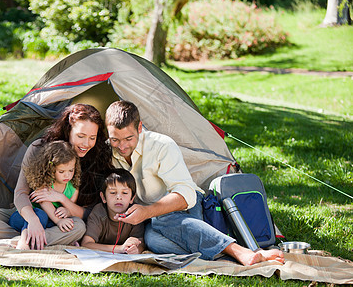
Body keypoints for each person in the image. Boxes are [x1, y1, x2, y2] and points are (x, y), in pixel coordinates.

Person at [104, 100, 284, 266]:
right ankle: (220, 249)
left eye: (128, 139)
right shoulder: (108, 154)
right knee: (152, 241)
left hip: (185, 207)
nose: (122, 146)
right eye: (115, 140)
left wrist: (147, 211)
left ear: (140, 128)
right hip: (152, 219)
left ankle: (238, 251)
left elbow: (186, 196)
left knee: (160, 219)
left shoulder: (162, 145)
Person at [0, 104, 113, 250]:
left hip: (63, 220)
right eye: (81, 136)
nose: (86, 144)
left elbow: (90, 213)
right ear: (68, 130)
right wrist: (33, 221)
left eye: (92, 138)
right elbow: (21, 193)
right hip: (32, 212)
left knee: (79, 228)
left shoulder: (97, 159)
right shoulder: (40, 148)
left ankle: (15, 242)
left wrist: (61, 199)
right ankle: (36, 238)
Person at [81, 169, 145, 254]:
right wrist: (120, 249)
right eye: (113, 192)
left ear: (132, 198)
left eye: (125, 193)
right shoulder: (99, 212)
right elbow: (86, 244)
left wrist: (136, 250)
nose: (119, 197)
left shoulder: (135, 213)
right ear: (103, 197)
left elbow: (141, 243)